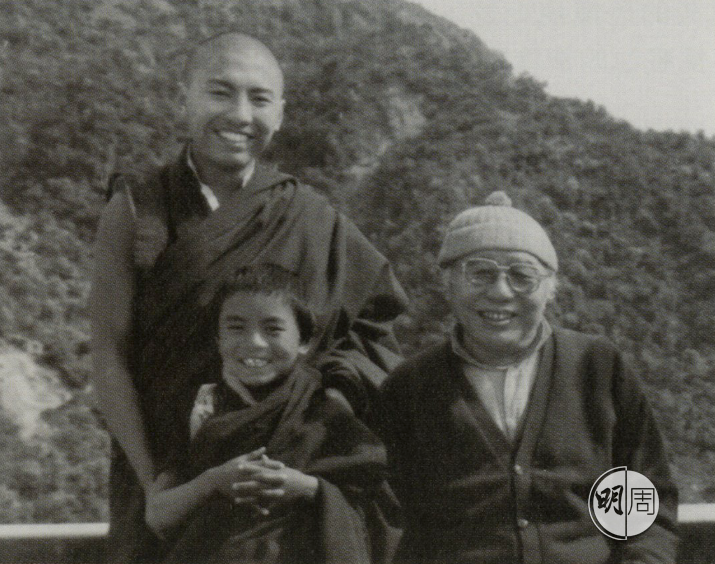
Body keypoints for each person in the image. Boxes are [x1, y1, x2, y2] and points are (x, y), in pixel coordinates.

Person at [90, 32, 406, 562]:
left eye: (259, 99)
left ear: (280, 114)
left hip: (282, 484)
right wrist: (157, 482)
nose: (240, 115)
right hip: (168, 473)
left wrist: (315, 416)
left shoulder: (311, 217)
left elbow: (375, 333)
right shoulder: (137, 208)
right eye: (220, 92)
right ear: (185, 97)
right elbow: (108, 354)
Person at [378, 191, 678, 564]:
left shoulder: (598, 367)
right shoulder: (409, 387)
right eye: (480, 273)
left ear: (551, 288)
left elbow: (644, 505)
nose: (500, 292)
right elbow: (389, 520)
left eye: (522, 276)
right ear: (448, 283)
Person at [144, 264, 391, 564]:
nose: (254, 342)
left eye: (273, 329)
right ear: (218, 339)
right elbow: (157, 515)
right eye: (236, 328)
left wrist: (307, 488)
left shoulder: (324, 411)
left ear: (304, 341)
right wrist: (213, 481)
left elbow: (376, 507)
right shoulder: (198, 408)